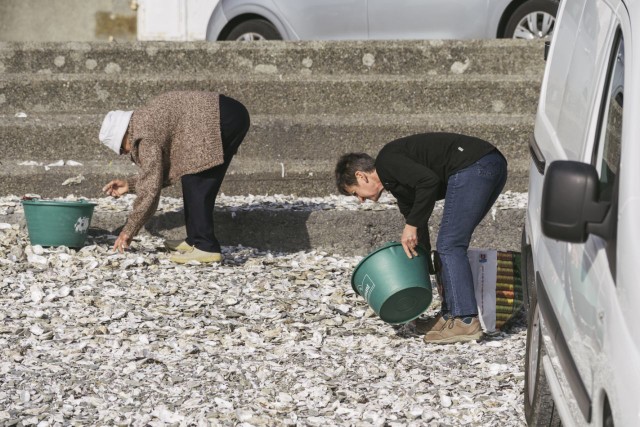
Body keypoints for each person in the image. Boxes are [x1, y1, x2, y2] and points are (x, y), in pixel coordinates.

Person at [335, 133, 507, 344]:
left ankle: (464, 319)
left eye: (356, 193)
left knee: (450, 244)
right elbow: (417, 220)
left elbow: (429, 182)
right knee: (448, 245)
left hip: (475, 165)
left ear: (361, 176)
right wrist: (421, 264)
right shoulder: (398, 185)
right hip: (488, 164)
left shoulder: (387, 161)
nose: (360, 200)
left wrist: (411, 226)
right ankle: (449, 316)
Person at [99, 91, 250, 264]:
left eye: (121, 149)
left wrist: (129, 230)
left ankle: (206, 247)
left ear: (125, 135)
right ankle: (195, 240)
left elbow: (151, 190)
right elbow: (155, 176)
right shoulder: (143, 120)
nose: (126, 153)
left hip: (221, 118)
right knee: (195, 176)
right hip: (229, 114)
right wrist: (130, 185)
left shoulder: (143, 136)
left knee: (196, 178)